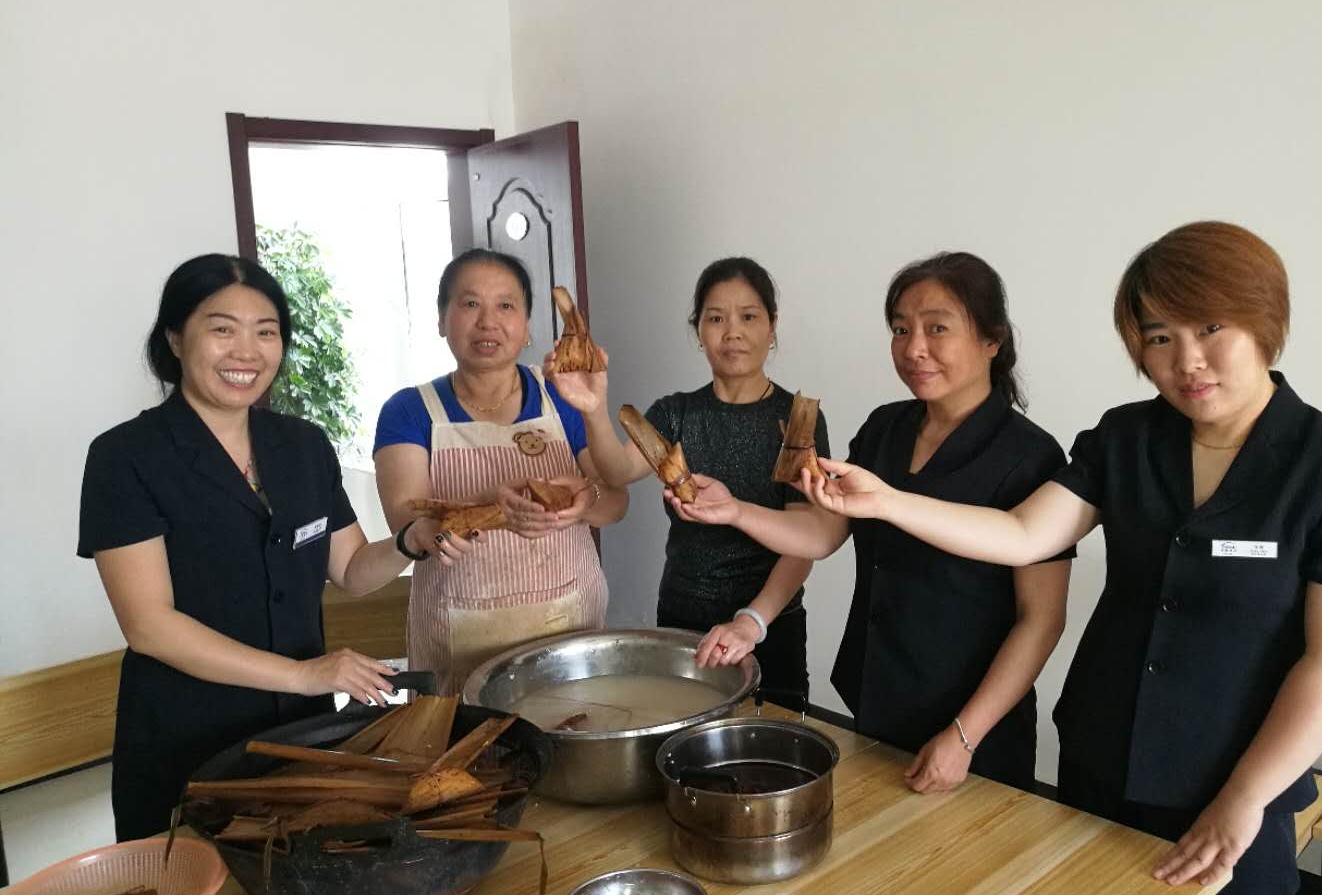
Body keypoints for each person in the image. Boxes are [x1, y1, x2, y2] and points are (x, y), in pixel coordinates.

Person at [794, 223, 1322, 895]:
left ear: (1264, 321)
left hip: (1236, 779)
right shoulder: (1126, 438)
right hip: (1098, 762)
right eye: (1159, 337)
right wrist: (888, 501)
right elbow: (1024, 533)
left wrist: (1244, 799)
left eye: (1211, 328)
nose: (1186, 360)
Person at [78, 254, 470, 841]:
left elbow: (351, 568)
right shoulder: (126, 457)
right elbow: (150, 627)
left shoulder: (302, 446)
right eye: (222, 329)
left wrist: (410, 541)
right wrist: (306, 675)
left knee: (296, 870)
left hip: (299, 733)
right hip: (185, 735)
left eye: (266, 332)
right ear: (175, 339)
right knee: (192, 887)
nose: (247, 352)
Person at [668, 252, 1072, 793]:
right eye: (901, 329)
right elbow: (822, 535)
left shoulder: (1030, 456)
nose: (914, 348)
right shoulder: (886, 429)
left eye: (937, 328)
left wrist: (964, 736)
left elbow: (1041, 620)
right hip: (877, 696)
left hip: (976, 728)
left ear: (991, 340)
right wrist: (736, 511)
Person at [545, 257, 828, 706]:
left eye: (749, 317)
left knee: (770, 742)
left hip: (768, 624)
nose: (732, 332)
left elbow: (805, 541)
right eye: (715, 319)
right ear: (698, 331)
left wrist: (752, 621)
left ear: (772, 326)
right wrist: (593, 408)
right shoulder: (675, 413)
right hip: (682, 624)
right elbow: (617, 471)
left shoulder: (798, 418)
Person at [374, 249, 626, 695]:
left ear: (526, 326)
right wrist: (490, 505)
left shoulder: (562, 396)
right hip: (458, 641)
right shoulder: (409, 410)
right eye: (470, 303)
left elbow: (616, 504)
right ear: (441, 319)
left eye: (506, 305)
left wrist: (585, 500)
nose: (488, 321)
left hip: (569, 633)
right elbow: (407, 522)